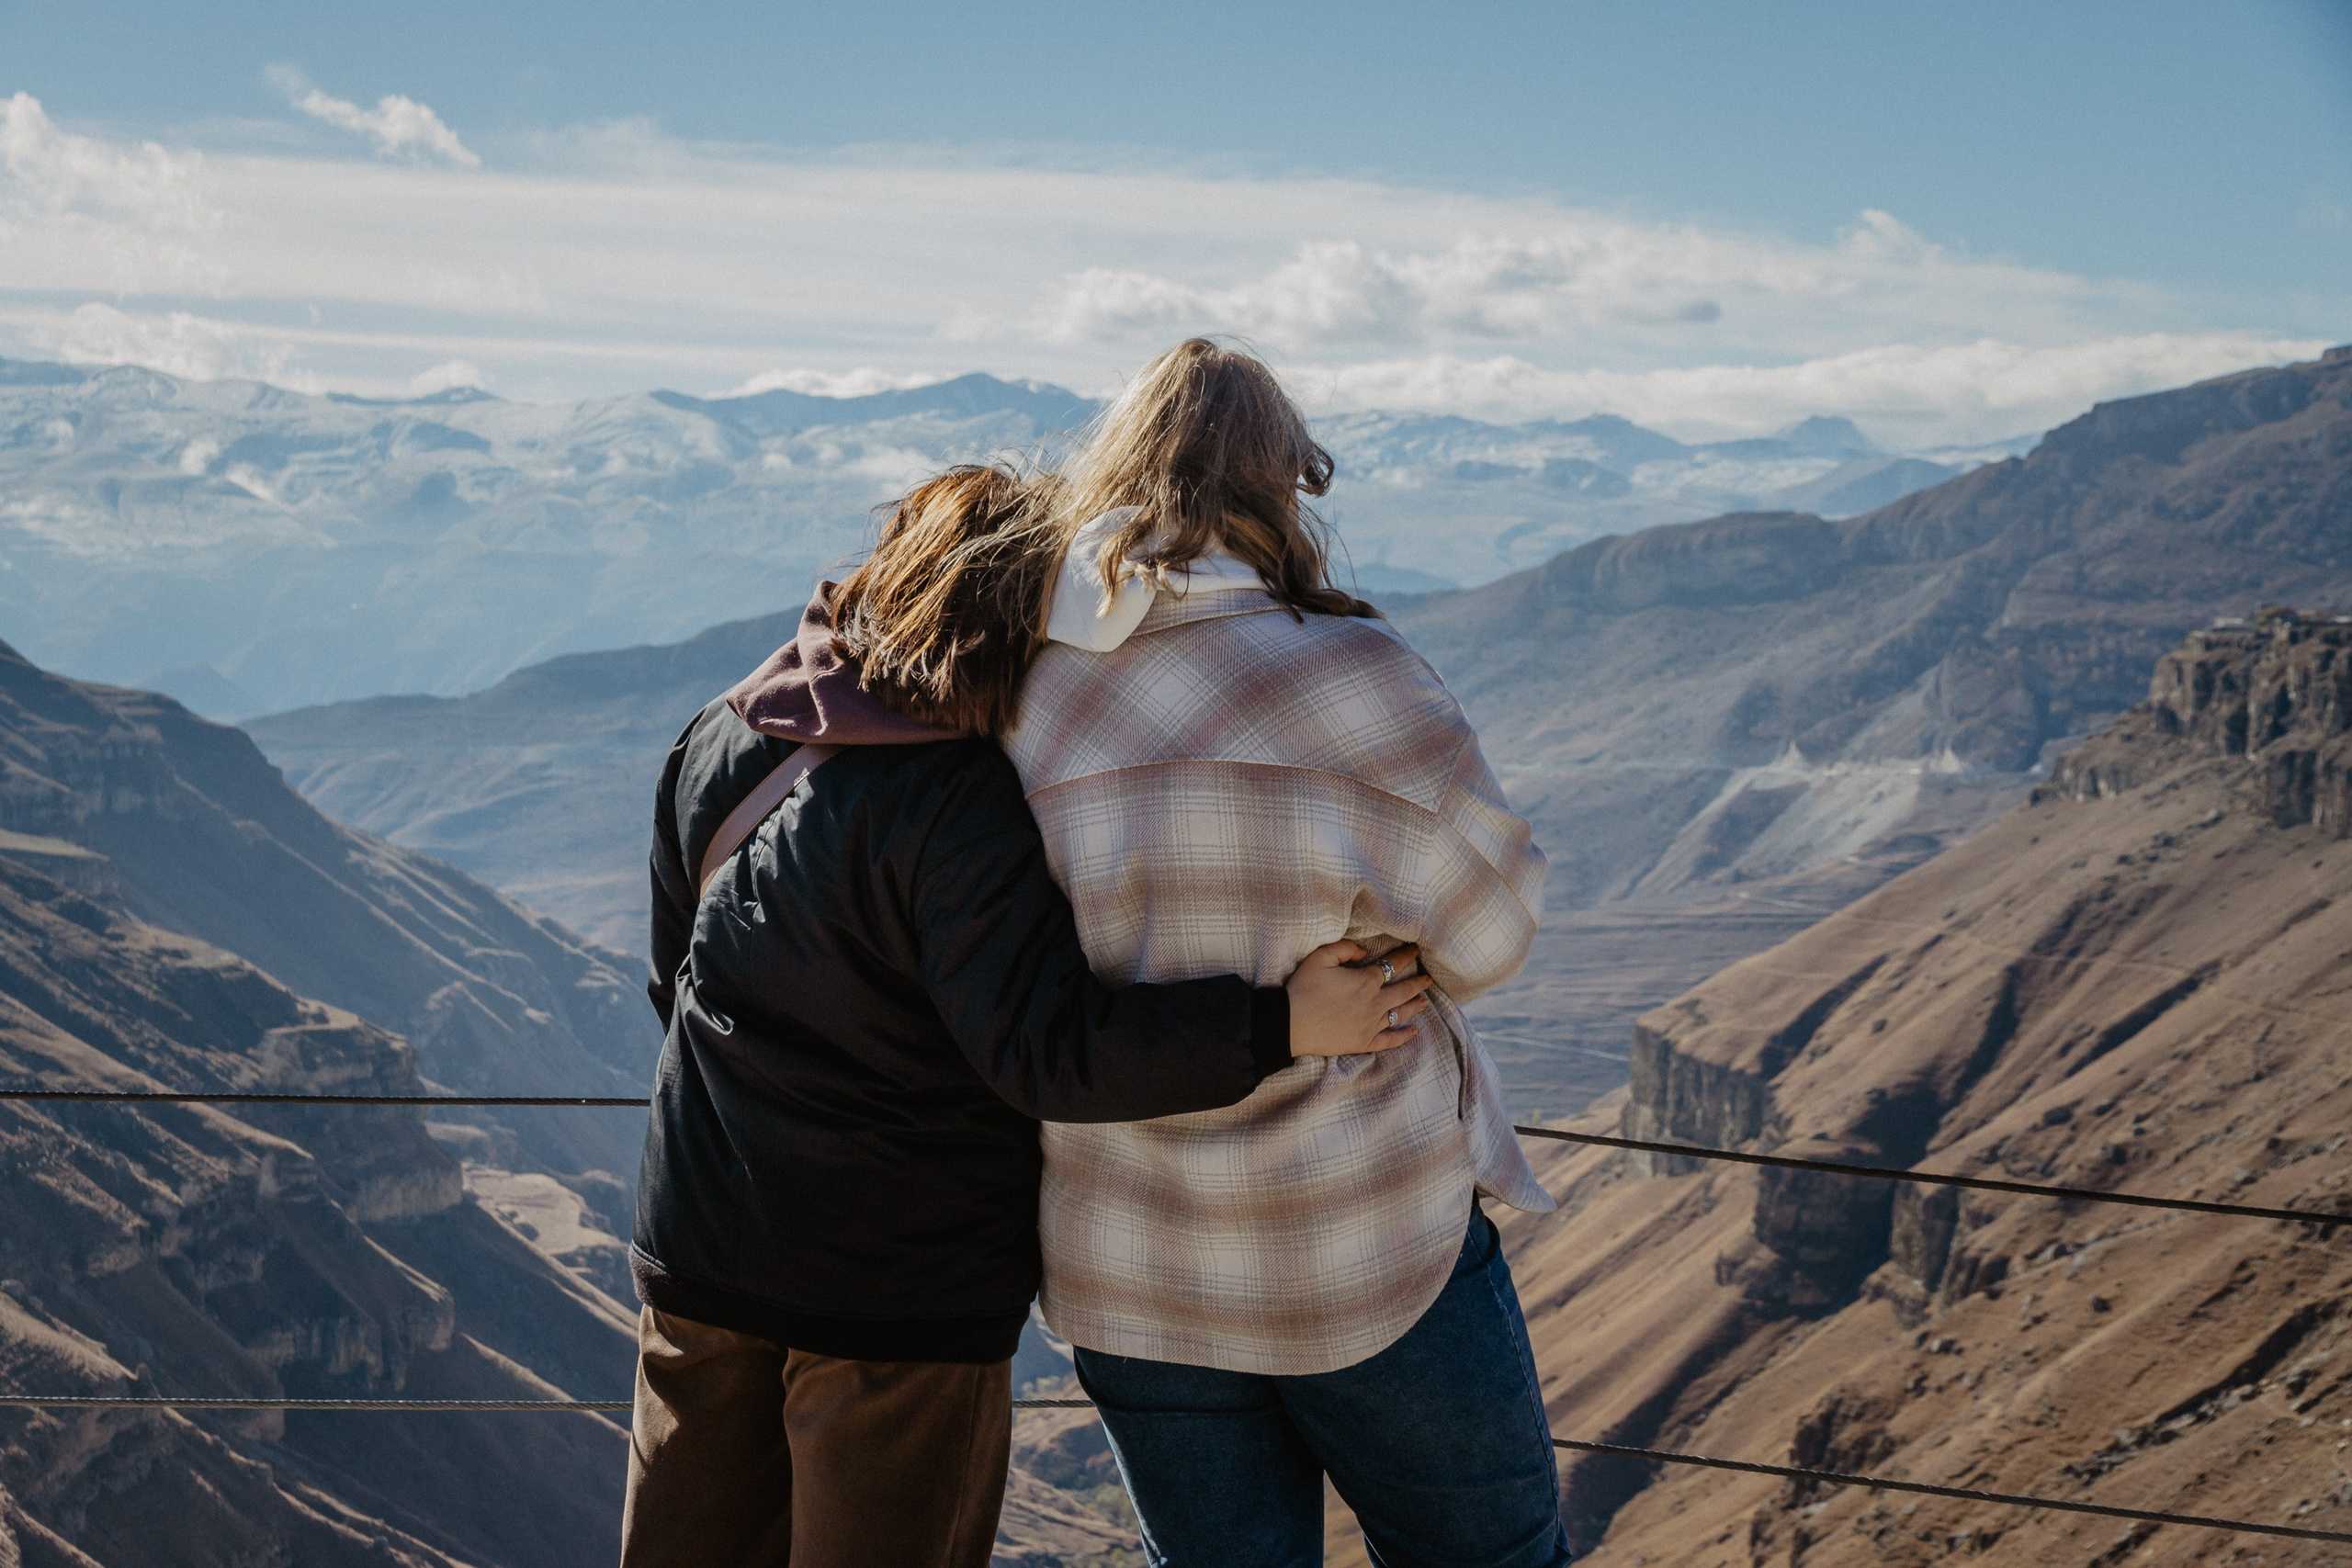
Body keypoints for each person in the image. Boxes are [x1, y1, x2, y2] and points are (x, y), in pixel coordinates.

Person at [623, 465, 1432, 1568]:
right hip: (893, 1300)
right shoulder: (957, 800)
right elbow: (1048, 1053)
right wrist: (1280, 1024)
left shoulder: (717, 738)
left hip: (697, 1256)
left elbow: (677, 986)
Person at [1001, 340, 1572, 1567]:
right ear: (1283, 484)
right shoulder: (1359, 679)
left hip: (1130, 1260)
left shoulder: (1026, 691)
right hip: (1360, 1241)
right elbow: (1490, 938)